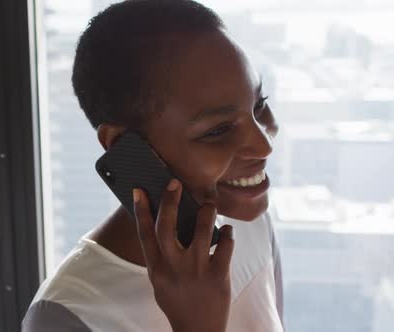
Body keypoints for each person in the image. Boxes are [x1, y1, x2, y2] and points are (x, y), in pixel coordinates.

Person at [23, 0, 284, 331]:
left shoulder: (247, 222)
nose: (264, 145)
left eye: (258, 106)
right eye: (218, 131)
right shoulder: (67, 315)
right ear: (124, 146)